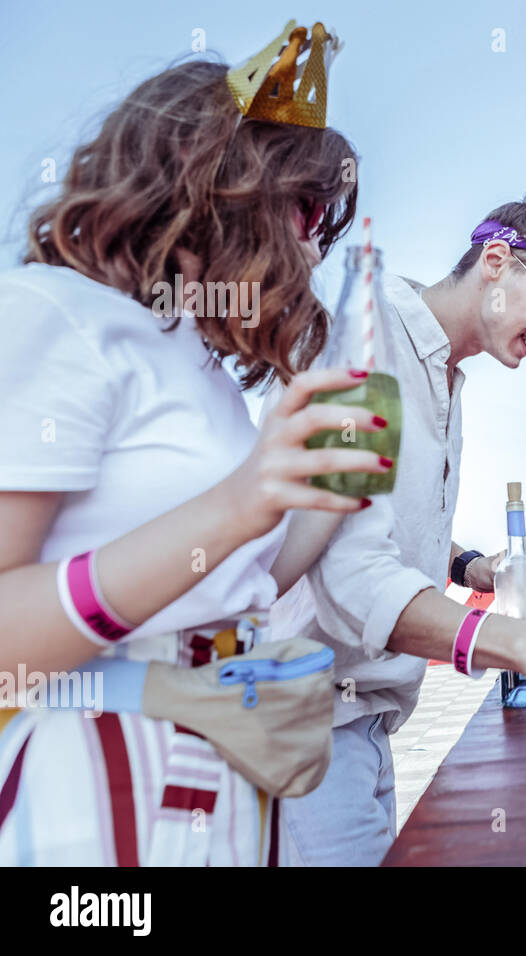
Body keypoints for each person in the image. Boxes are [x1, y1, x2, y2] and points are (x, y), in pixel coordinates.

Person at [0, 41, 392, 864]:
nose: (313, 250)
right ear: (218, 182)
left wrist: (315, 486)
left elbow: (229, 575)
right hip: (96, 793)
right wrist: (242, 497)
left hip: (215, 776)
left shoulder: (189, 355)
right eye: (306, 213)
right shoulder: (51, 312)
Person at [275, 196, 526, 866]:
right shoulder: (362, 330)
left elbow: (366, 516)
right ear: (496, 260)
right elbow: (343, 571)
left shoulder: (445, 375)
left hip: (364, 717)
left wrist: (468, 564)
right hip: (304, 718)